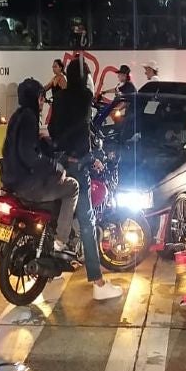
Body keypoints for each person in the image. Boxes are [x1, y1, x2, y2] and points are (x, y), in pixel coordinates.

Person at [47, 58, 123, 300]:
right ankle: (98, 283)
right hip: (78, 167)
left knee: (60, 215)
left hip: (58, 165)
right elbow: (84, 134)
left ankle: (55, 269)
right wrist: (93, 158)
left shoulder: (60, 97)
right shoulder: (83, 98)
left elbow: (53, 130)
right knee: (88, 222)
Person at [0, 79, 81, 249]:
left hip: (11, 181)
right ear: (35, 98)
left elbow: (21, 147)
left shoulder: (17, 116)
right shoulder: (30, 118)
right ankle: (61, 241)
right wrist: (56, 167)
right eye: (41, 98)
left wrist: (43, 143)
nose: (43, 102)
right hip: (27, 186)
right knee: (72, 186)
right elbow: (29, 156)